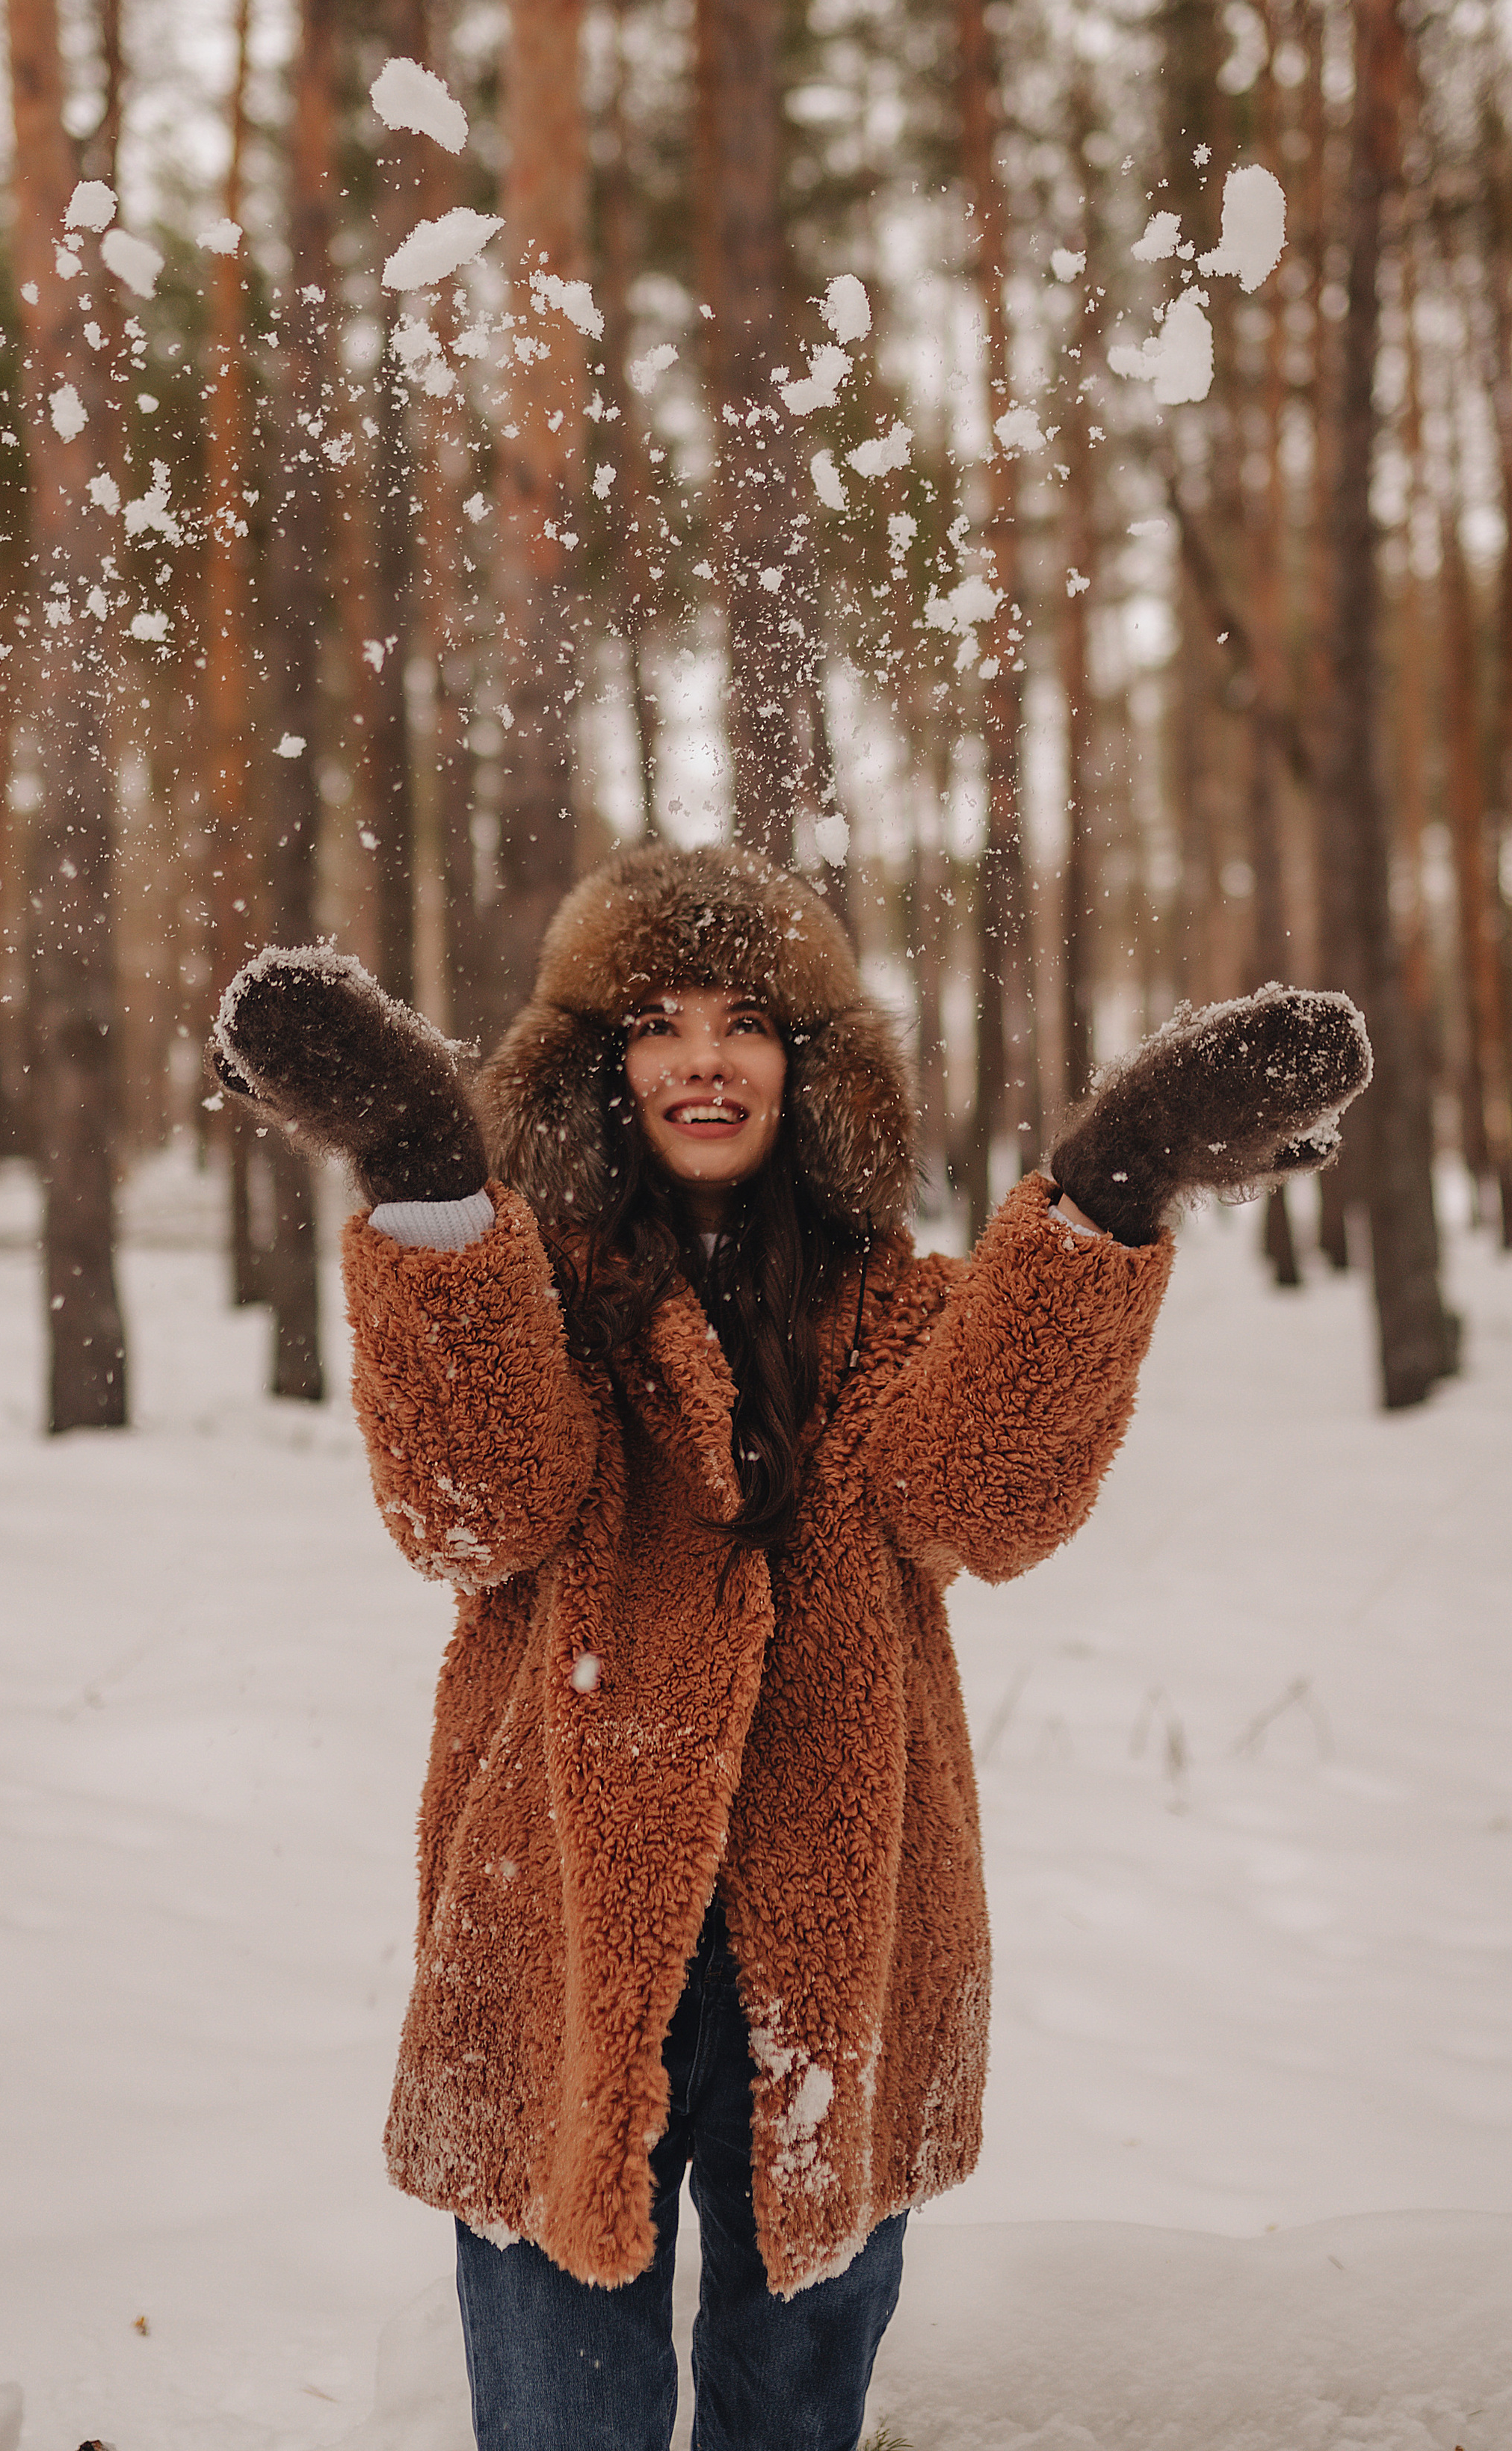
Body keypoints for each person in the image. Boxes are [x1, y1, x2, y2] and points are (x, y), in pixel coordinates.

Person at [209, 840, 1369, 2451]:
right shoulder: (515, 1286)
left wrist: (1116, 1178)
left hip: (838, 1930)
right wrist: (423, 1174)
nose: (699, 1055)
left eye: (745, 1020)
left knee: (791, 2418)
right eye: (654, 1021)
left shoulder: (896, 1307)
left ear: (810, 1071)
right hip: (556, 1919)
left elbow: (984, 1488)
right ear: (597, 1069)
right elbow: (473, 1512)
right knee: (561, 2423)